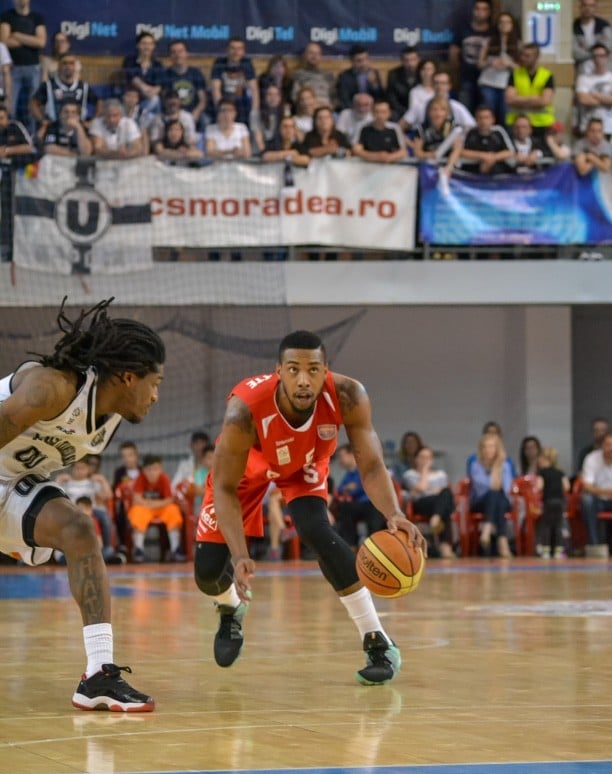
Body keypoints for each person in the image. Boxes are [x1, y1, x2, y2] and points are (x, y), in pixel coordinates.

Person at [194, 329, 425, 685]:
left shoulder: (348, 395)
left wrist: (394, 513)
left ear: (326, 371)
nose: (303, 380)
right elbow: (224, 488)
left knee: (317, 530)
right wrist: (239, 556)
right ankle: (230, 606)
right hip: (247, 470)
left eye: (313, 370)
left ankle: (377, 640)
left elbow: (371, 464)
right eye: (294, 370)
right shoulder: (244, 411)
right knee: (208, 572)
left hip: (304, 463)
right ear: (278, 372)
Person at [0, 298, 164, 710]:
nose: (156, 396)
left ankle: (98, 675)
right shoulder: (52, 388)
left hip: (13, 481)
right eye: (155, 383)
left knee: (78, 529)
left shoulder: (110, 419)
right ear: (128, 377)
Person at [128, 454, 186, 563]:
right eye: (149, 469)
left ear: (160, 469)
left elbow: (169, 500)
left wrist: (151, 503)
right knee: (136, 512)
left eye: (155, 469)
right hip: (146, 509)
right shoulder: (140, 478)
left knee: (173, 511)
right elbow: (137, 499)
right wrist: (154, 504)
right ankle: (138, 549)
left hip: (159, 508)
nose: (152, 473)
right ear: (144, 470)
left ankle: (175, 549)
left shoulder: (164, 478)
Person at [0, 0, 46, 133]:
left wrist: (17, 35)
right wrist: (31, 39)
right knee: (10, 106)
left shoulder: (37, 17)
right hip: (13, 69)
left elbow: (41, 42)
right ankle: (9, 135)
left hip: (33, 67)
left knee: (33, 106)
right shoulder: (6, 16)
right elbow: (4, 42)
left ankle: (32, 136)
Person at [402, 446, 455, 558]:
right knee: (444, 505)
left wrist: (429, 490)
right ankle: (445, 546)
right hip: (421, 503)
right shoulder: (409, 474)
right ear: (416, 459)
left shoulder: (440, 474)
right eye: (422, 457)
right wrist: (425, 471)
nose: (425, 460)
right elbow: (422, 487)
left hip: (438, 502)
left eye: (428, 458)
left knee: (446, 496)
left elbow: (444, 492)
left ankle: (435, 518)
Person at [469, 432, 515, 558]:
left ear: (497, 449)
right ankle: (502, 541)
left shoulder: (505, 465)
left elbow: (506, 488)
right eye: (484, 446)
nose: (487, 450)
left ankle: (487, 528)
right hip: (480, 501)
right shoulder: (475, 465)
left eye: (491, 446)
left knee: (498, 498)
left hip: (501, 500)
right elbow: (484, 487)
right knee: (495, 496)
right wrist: (496, 471)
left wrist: (497, 465)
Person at [331, 443, 385, 548]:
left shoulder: (365, 469)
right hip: (356, 504)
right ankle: (350, 545)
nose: (340, 460)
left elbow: (361, 487)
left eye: (341, 456)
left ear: (351, 454)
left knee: (375, 510)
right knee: (344, 508)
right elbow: (340, 490)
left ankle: (375, 546)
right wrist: (350, 488)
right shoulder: (348, 475)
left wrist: (352, 488)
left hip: (371, 503)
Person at [449, 0, 494, 114]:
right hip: (466, 78)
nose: (480, 12)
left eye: (484, 9)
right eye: (477, 9)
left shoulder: (493, 32)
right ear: (473, 11)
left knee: (486, 113)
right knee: (465, 111)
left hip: (488, 80)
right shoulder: (463, 30)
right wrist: (457, 72)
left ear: (489, 12)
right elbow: (454, 52)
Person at [478, 11, 521, 126]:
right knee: (488, 113)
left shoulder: (517, 44)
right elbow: (480, 63)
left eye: (507, 22)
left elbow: (521, 69)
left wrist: (510, 64)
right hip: (489, 82)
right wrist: (491, 62)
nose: (504, 25)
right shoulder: (489, 41)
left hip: (507, 84)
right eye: (501, 22)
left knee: (505, 115)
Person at [575, 43, 612, 137]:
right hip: (588, 128)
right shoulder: (583, 79)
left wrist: (594, 95)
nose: (598, 59)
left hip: (609, 127)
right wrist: (608, 100)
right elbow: (583, 99)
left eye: (602, 56)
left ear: (608, 57)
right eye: (595, 56)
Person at [505, 43, 556, 131]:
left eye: (527, 56)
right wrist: (536, 98)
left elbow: (545, 101)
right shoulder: (515, 74)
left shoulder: (547, 76)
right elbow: (509, 99)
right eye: (522, 55)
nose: (523, 58)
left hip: (541, 123)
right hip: (518, 122)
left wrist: (519, 99)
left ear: (536, 57)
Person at [460, 105, 515, 175]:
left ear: (493, 119)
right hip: (471, 170)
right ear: (476, 119)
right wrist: (483, 156)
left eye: (486, 118)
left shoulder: (498, 131)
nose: (483, 121)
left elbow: (510, 152)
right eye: (480, 118)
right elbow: (460, 151)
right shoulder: (469, 132)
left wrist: (493, 158)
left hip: (495, 169)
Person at [537, 447, 570, 559]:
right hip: (560, 502)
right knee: (558, 525)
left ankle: (546, 550)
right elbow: (566, 486)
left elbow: (539, 486)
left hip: (548, 501)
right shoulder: (560, 473)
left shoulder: (542, 473)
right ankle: (558, 550)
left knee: (547, 525)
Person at [352, 99, 406, 164]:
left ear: (389, 113)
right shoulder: (363, 127)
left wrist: (389, 157)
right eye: (377, 112)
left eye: (384, 112)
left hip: (389, 164)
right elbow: (356, 150)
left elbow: (403, 151)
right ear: (372, 112)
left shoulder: (394, 128)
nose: (380, 115)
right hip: (367, 163)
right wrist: (376, 156)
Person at [336, 45, 384, 113]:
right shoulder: (344, 76)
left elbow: (381, 97)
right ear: (352, 61)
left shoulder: (374, 73)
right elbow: (344, 99)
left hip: (373, 110)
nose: (364, 63)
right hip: (353, 110)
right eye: (359, 61)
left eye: (366, 59)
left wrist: (374, 84)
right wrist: (357, 111)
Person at [572, 0, 612, 76]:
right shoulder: (574, 26)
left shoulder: (604, 25)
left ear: (595, 8)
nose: (588, 8)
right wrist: (596, 53)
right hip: (582, 71)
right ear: (580, 7)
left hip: (605, 70)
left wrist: (586, 50)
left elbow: (608, 46)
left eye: (591, 6)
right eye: (585, 5)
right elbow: (575, 52)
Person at [386, 46, 421, 122]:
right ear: (402, 61)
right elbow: (392, 98)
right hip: (400, 110)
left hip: (419, 110)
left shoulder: (423, 73)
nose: (410, 63)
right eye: (406, 60)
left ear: (418, 60)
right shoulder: (393, 74)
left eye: (413, 60)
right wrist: (406, 113)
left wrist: (413, 113)